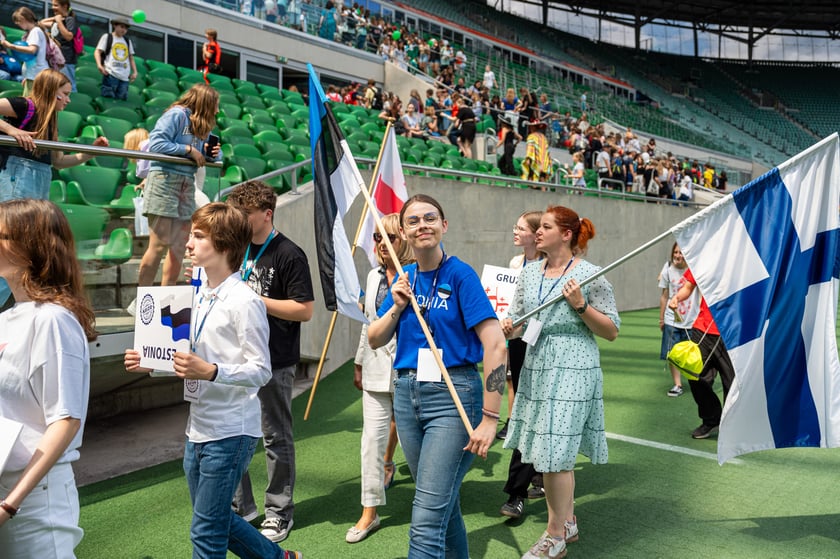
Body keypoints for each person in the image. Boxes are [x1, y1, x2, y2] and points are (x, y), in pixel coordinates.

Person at [124, 203, 303, 559]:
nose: (188, 243)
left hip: (231, 430)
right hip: (198, 426)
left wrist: (212, 371)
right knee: (214, 518)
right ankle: (279, 557)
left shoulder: (245, 301)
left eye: (198, 236)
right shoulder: (198, 294)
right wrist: (150, 360)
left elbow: (261, 370)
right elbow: (187, 352)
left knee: (205, 531)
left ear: (222, 245)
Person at [367, 194, 508, 558]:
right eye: (412, 221)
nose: (422, 225)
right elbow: (375, 337)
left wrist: (491, 418)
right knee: (443, 506)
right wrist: (397, 306)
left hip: (453, 395)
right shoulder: (404, 277)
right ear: (404, 232)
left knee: (426, 520)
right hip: (405, 393)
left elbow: (495, 344)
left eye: (430, 218)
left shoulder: (460, 275)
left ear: (444, 225)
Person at [502, 205, 619, 559]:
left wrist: (582, 306)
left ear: (566, 234)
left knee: (555, 454)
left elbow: (611, 330)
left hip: (574, 365)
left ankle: (554, 536)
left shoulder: (590, 275)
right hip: (538, 363)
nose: (538, 231)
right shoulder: (528, 273)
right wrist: (511, 327)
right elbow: (518, 318)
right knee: (549, 449)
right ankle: (566, 521)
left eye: (546, 227)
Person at [0, 199, 96, 557]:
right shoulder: (9, 317)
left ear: (32, 247)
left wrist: (10, 504)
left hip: (34, 499)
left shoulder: (53, 320)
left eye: (2, 235)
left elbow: (66, 419)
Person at [227, 181, 314, 544]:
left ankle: (279, 512)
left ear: (266, 213)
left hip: (275, 361)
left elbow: (304, 310)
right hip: (236, 359)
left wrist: (254, 299)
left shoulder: (289, 253)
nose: (239, 221)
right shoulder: (234, 249)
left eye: (245, 215)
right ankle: (242, 508)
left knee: (275, 439)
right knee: (234, 436)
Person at [346, 213, 413, 544]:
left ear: (404, 240)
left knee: (417, 445)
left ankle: (432, 506)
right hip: (374, 371)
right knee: (370, 442)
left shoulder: (419, 276)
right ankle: (369, 512)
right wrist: (359, 362)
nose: (380, 245)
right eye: (376, 238)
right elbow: (367, 321)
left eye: (388, 238)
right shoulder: (372, 277)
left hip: (411, 373)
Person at [135, 84, 221, 306]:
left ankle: (165, 302)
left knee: (178, 246)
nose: (217, 112)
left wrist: (212, 152)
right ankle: (143, 301)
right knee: (158, 244)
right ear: (205, 103)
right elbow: (155, 143)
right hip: (165, 180)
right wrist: (187, 150)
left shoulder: (202, 125)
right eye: (215, 106)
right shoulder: (177, 115)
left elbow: (211, 155)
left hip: (186, 185)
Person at [0, 69, 108, 202]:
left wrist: (90, 153)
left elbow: (59, 161)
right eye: (65, 94)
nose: (68, 100)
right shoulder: (25, 105)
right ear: (50, 91)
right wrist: (11, 130)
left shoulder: (51, 120)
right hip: (16, 174)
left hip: (41, 179)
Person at [499, 211, 545, 520]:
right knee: (527, 409)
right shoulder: (517, 264)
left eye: (521, 228)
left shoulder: (555, 267)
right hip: (518, 340)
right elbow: (508, 303)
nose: (515, 231)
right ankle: (527, 483)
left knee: (537, 414)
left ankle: (528, 483)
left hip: (543, 344)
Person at [669, 268, 735, 439]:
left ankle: (732, 425)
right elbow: (688, 287)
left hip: (733, 331)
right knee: (695, 375)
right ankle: (711, 419)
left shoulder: (742, 258)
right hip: (702, 329)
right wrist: (677, 297)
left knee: (732, 382)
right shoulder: (705, 256)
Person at [658, 243, 699, 397]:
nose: (678, 255)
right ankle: (677, 384)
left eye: (681, 252)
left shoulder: (694, 269)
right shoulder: (667, 269)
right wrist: (661, 318)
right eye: (675, 252)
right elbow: (664, 296)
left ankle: (695, 382)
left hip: (691, 320)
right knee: (672, 353)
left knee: (692, 354)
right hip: (672, 320)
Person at [2, 7, 49, 96]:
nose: (18, 25)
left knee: (30, 104)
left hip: (36, 75)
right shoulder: (33, 31)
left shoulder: (35, 31)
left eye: (18, 22)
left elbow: (32, 50)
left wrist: (11, 46)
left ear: (22, 19)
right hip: (32, 75)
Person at [39, 0, 80, 92]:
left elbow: (69, 36)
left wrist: (59, 21)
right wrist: (56, 18)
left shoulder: (70, 20)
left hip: (66, 60)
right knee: (57, 86)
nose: (53, 7)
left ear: (64, 6)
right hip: (56, 59)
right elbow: (41, 23)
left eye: (56, 5)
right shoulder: (57, 21)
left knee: (68, 85)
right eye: (52, 5)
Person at [94, 16, 137, 100]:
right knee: (108, 100)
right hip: (111, 74)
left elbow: (130, 57)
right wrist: (99, 65)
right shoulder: (107, 37)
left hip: (124, 78)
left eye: (126, 28)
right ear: (115, 25)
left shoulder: (127, 41)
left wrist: (135, 72)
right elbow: (97, 52)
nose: (123, 30)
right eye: (121, 27)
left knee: (121, 103)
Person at [521, 120, 553, 185]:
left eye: (531, 127)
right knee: (542, 177)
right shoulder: (543, 137)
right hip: (545, 161)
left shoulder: (531, 136)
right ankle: (544, 192)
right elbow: (547, 150)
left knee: (531, 175)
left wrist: (528, 159)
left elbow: (531, 148)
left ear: (534, 127)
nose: (530, 128)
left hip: (535, 160)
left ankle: (531, 191)